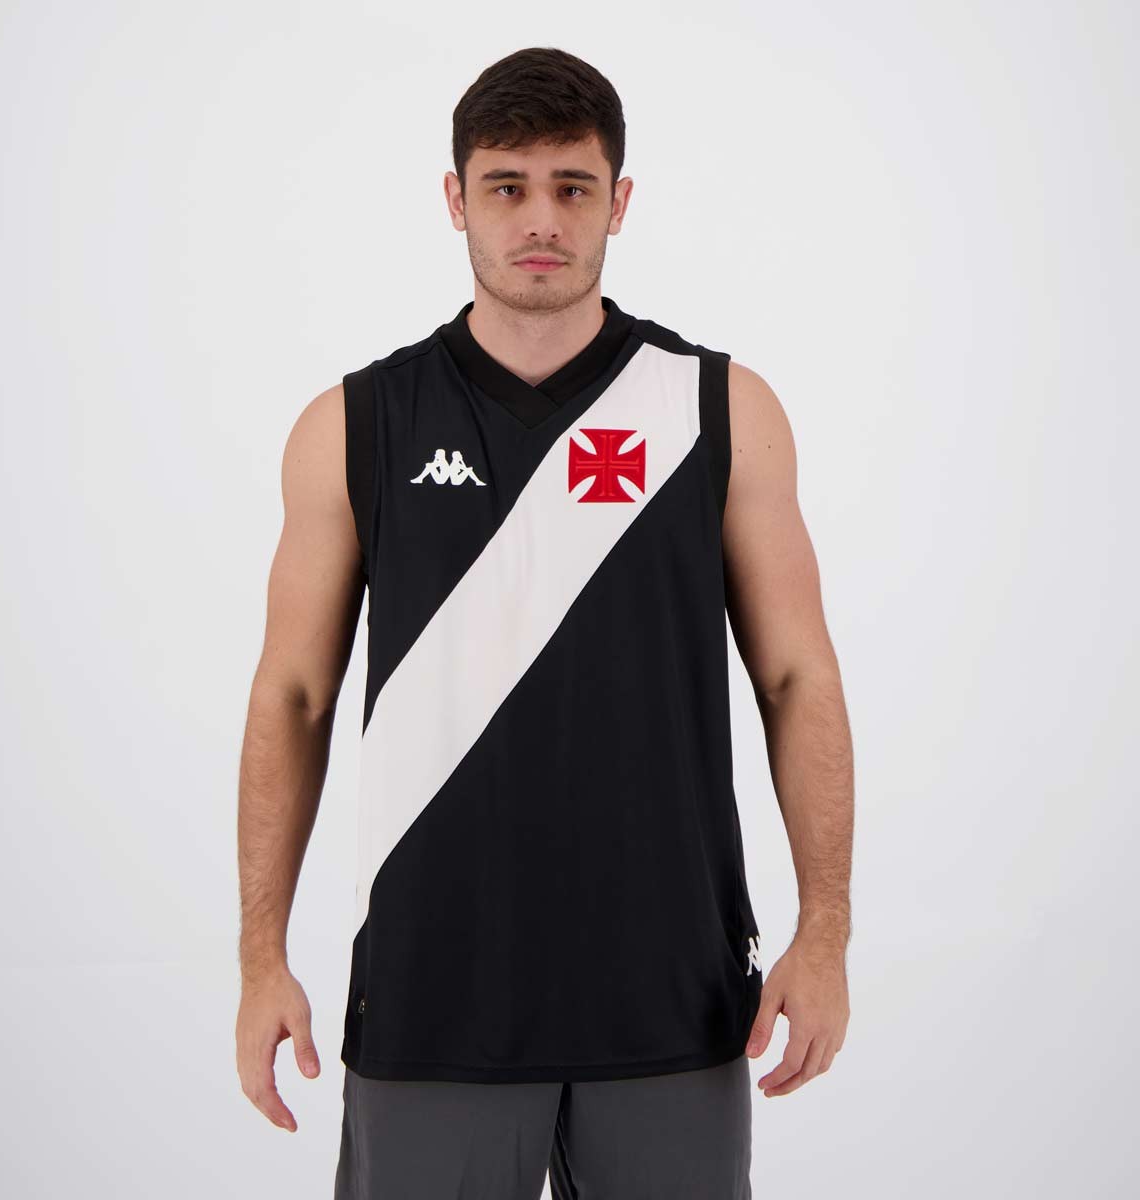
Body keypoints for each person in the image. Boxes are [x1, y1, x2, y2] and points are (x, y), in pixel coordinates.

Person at [235, 45, 853, 1200]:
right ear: (455, 198)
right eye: (506, 186)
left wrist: (826, 932)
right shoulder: (357, 423)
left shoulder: (717, 408)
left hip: (672, 1000)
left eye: (573, 187)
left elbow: (797, 679)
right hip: (431, 1003)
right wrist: (259, 954)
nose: (540, 219)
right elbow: (294, 696)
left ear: (619, 201)